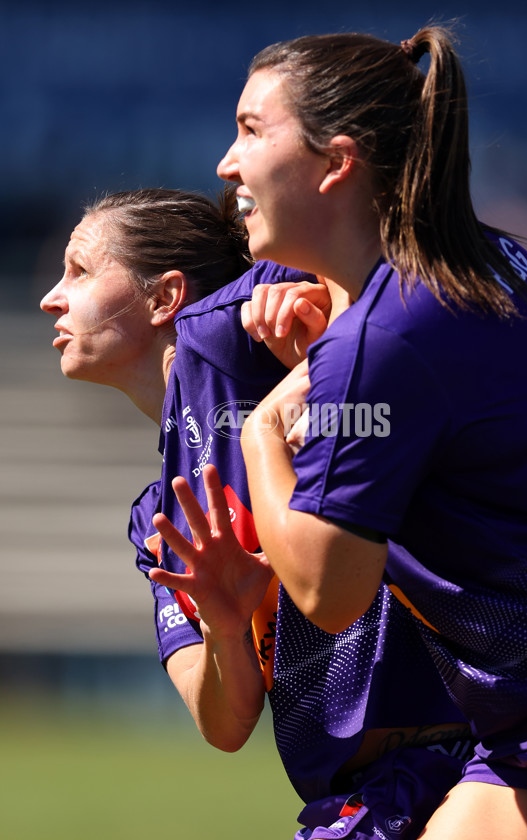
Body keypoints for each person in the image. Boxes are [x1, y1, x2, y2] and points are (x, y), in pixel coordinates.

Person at [216, 24, 527, 840]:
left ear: (337, 162)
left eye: (251, 131)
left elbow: (327, 593)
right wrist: (329, 354)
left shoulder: (383, 341)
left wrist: (260, 436)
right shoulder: (495, 264)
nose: (227, 163)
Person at [40, 187, 472, 840]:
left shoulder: (233, 333)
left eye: (79, 271)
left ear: (166, 298)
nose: (52, 296)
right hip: (366, 801)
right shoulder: (160, 517)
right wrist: (222, 622)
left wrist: (319, 290)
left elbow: (359, 212)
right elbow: (225, 723)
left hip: (479, 755)